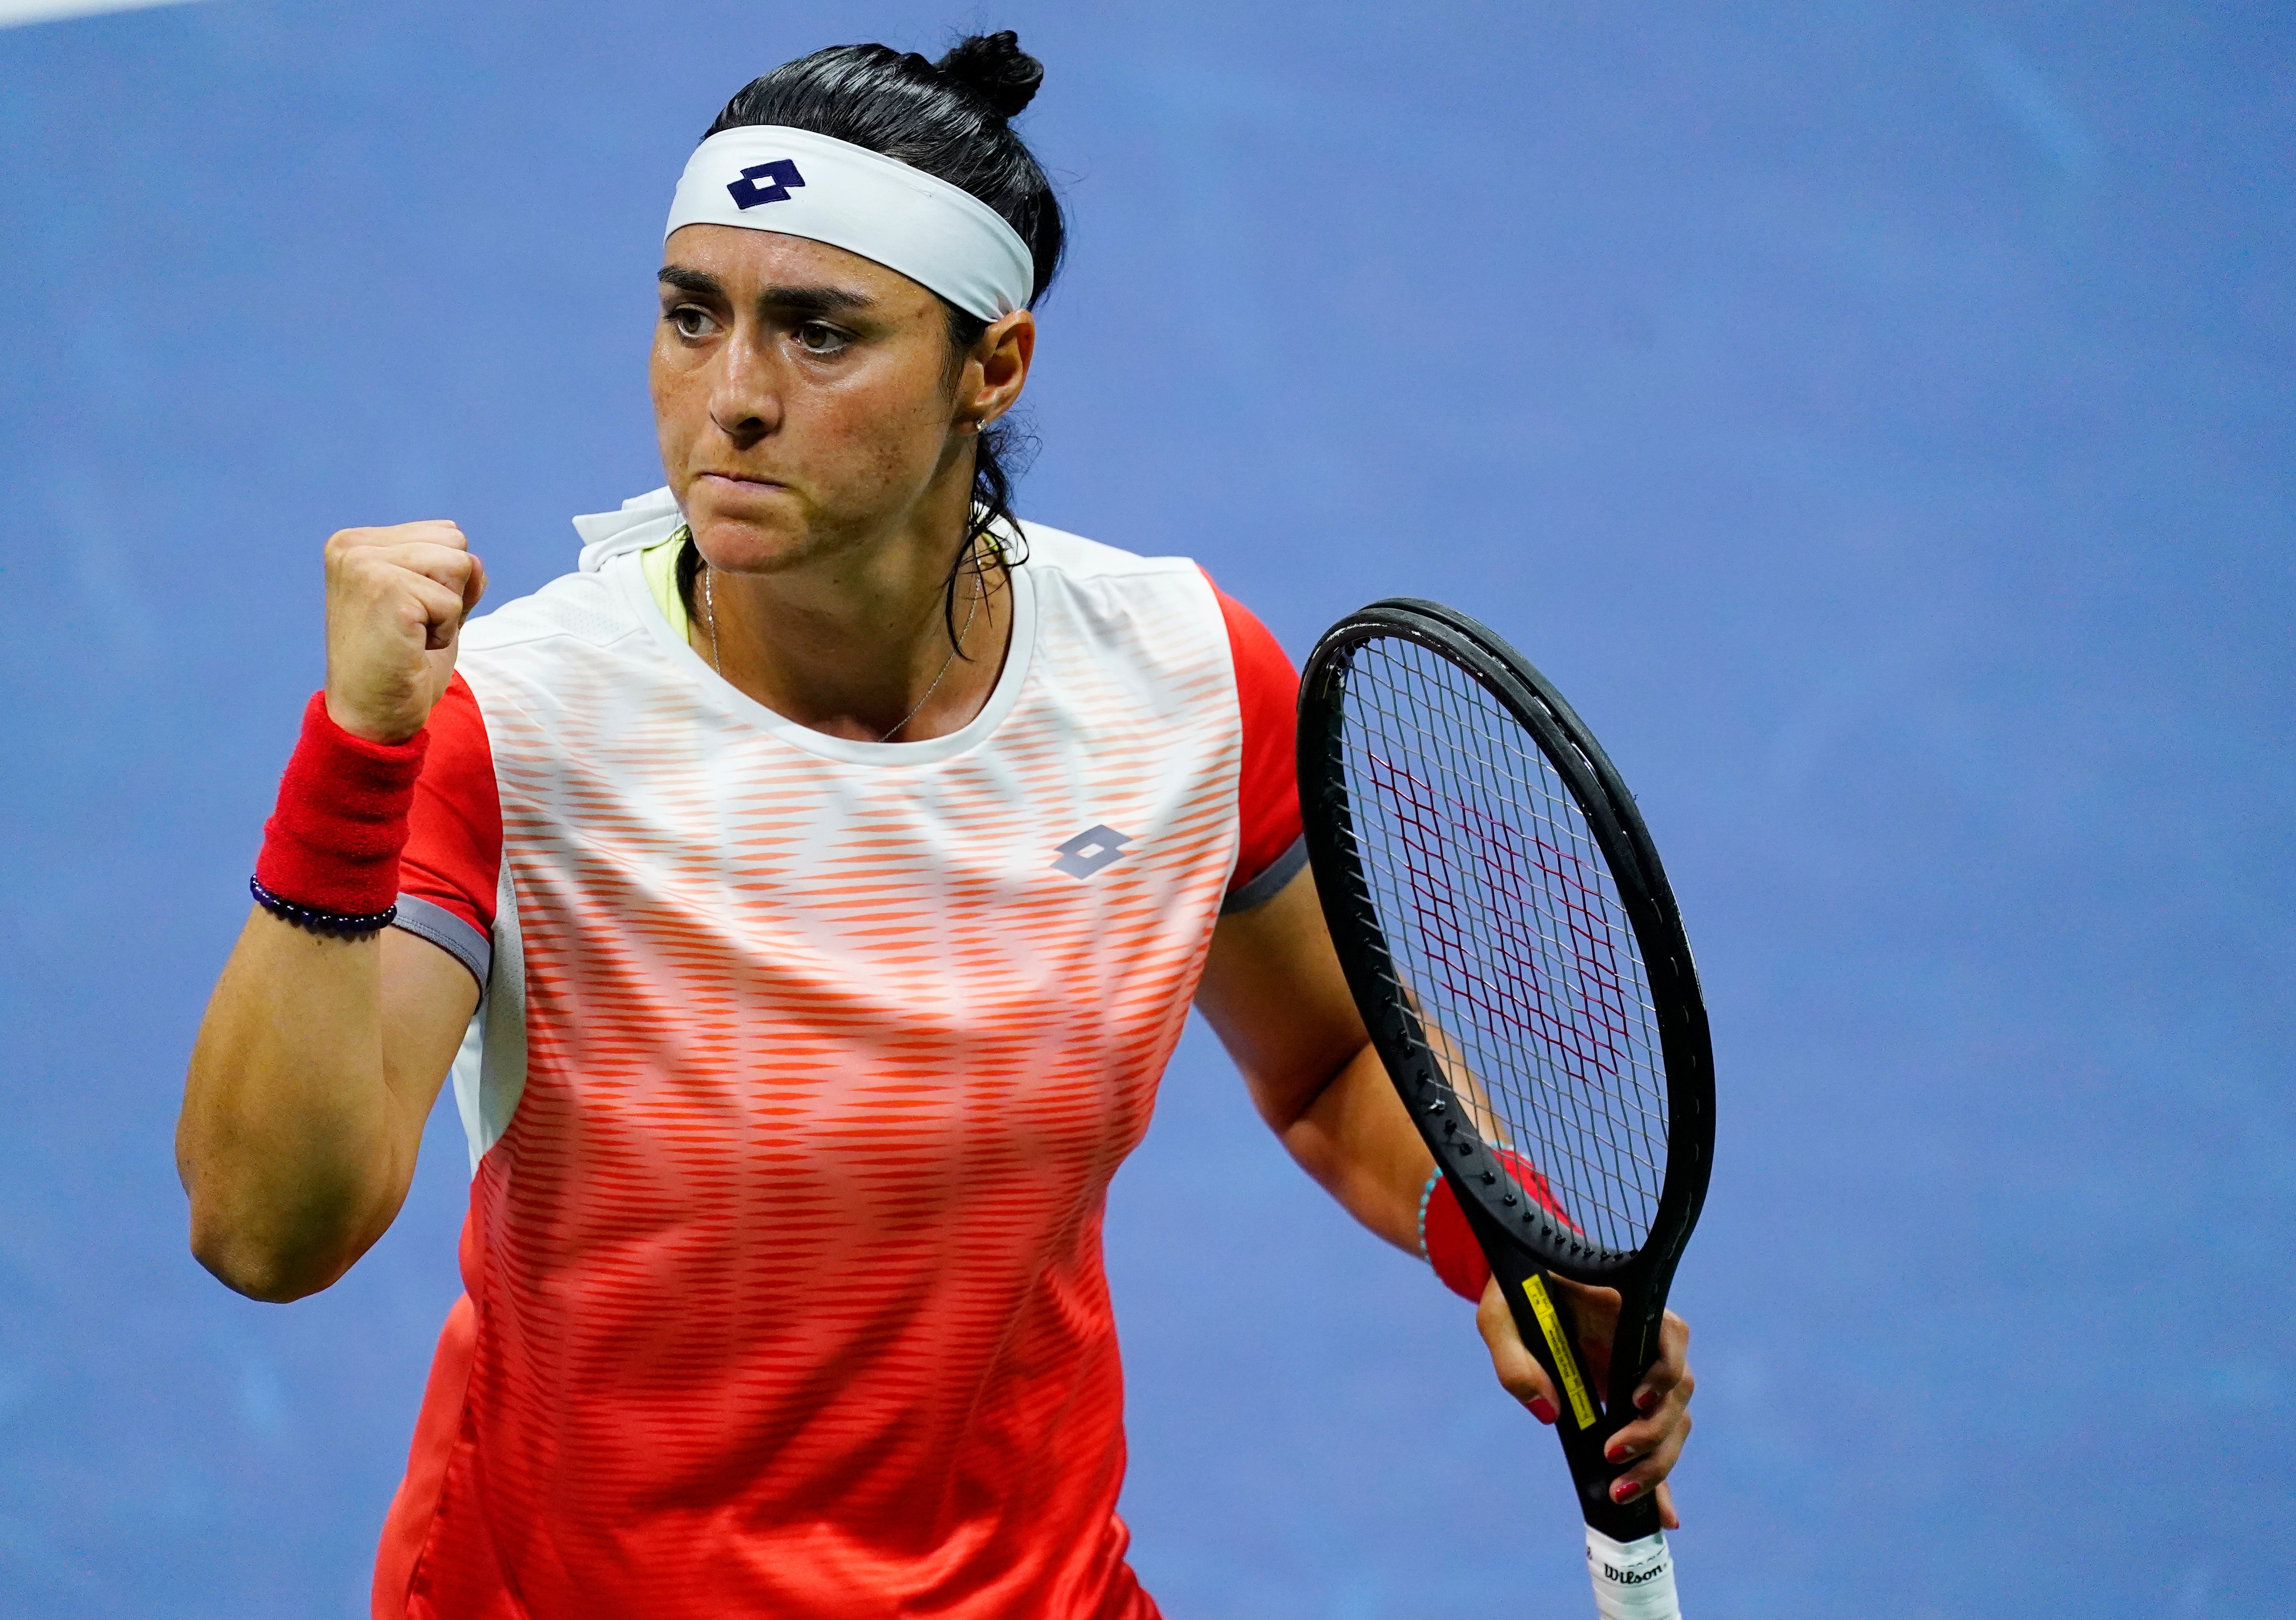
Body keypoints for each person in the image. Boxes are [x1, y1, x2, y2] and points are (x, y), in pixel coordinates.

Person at [176, 32, 1695, 1620]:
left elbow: (1326, 1056)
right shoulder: (514, 724)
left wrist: (1501, 1242)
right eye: (692, 318)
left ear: (994, 365)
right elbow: (264, 1232)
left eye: (819, 333)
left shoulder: (1176, 680)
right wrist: (357, 758)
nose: (731, 399)